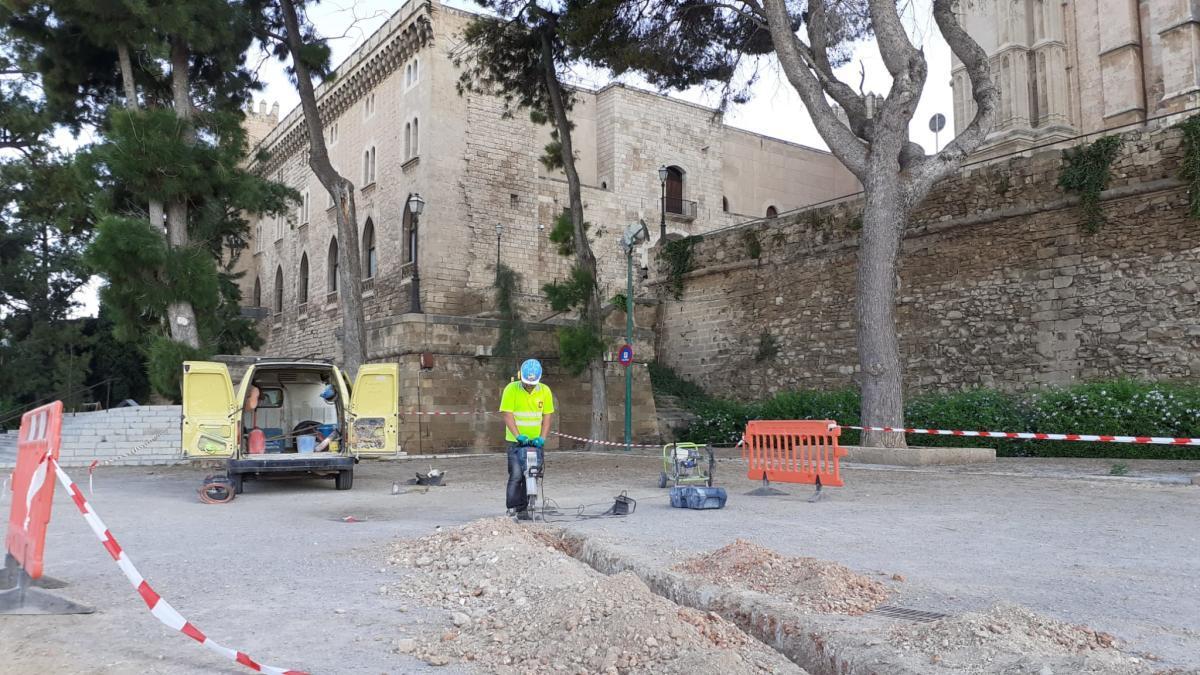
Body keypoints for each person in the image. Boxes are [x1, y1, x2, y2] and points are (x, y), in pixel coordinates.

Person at [499, 358, 554, 518]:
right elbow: (507, 415)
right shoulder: (511, 389)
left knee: (531, 474)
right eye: (526, 382)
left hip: (535, 442)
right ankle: (512, 508)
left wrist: (542, 438)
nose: (529, 385)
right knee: (516, 475)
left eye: (532, 383)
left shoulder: (545, 391)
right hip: (516, 442)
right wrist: (518, 436)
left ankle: (525, 509)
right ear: (520, 377)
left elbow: (547, 417)